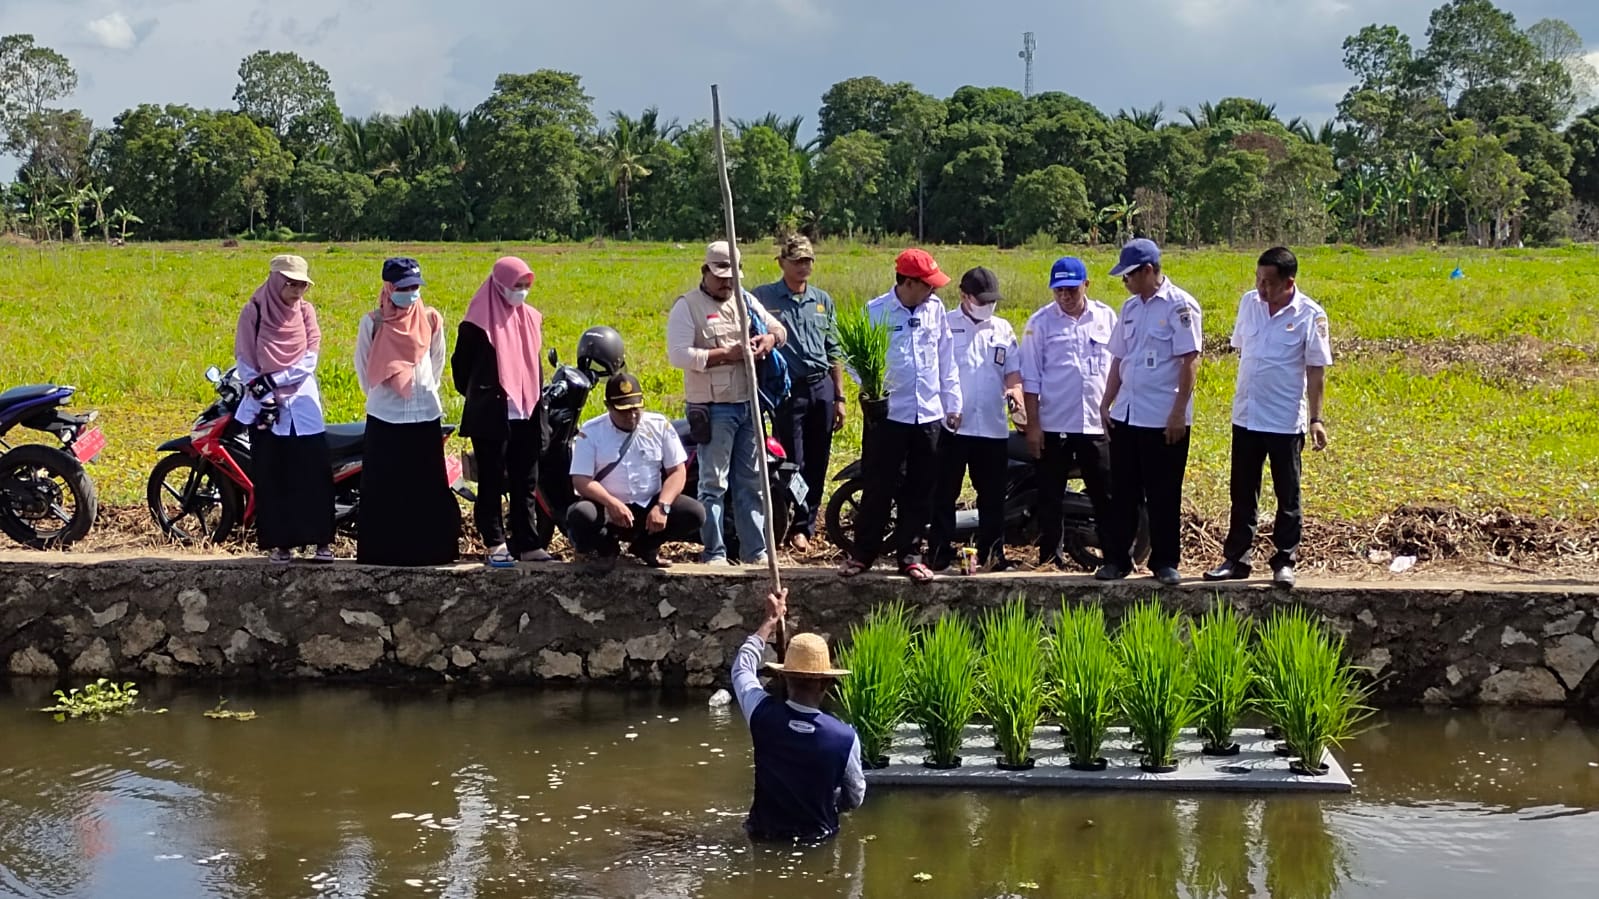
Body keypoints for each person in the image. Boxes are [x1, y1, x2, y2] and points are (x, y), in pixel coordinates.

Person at [1204, 247, 1332, 589]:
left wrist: (1317, 418)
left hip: (1284, 419)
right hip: (1247, 414)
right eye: (1259, 281)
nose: (1262, 289)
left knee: (1287, 494)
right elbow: (1244, 349)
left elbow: (1316, 370)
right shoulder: (1249, 303)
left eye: (1269, 283)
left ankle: (1284, 560)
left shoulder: (1311, 314)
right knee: (1242, 492)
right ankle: (1236, 559)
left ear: (1289, 282)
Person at [838, 248, 962, 584]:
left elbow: (945, 358)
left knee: (921, 488)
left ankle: (910, 555)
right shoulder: (876, 311)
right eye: (927, 284)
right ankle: (863, 553)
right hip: (889, 416)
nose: (934, 290)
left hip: (929, 414)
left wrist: (953, 403)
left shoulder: (935, 309)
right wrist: (872, 386)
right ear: (908, 282)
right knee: (878, 485)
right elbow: (852, 356)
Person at [665, 241, 788, 566]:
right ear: (705, 271)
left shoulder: (745, 300)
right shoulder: (687, 306)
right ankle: (714, 553)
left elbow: (778, 327)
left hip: (748, 405)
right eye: (721, 277)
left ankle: (755, 552)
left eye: (732, 277)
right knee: (713, 484)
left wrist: (769, 340)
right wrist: (725, 355)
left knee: (751, 482)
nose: (726, 283)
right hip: (713, 407)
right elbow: (678, 355)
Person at [1096, 238, 1202, 586]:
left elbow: (1189, 360)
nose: (1124, 282)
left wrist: (1177, 413)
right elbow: (1118, 358)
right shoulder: (1130, 308)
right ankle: (1117, 560)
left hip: (1162, 416)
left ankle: (1165, 561)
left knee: (1163, 492)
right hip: (1128, 412)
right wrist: (1106, 401)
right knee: (1123, 492)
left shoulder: (1179, 306)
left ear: (1147, 271)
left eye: (1128, 275)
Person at [732, 587, 865, 844]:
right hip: (817, 839)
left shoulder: (761, 713)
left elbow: (741, 668)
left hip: (763, 835)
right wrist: (834, 804)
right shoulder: (845, 738)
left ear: (783, 677)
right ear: (826, 685)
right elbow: (855, 796)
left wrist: (769, 622)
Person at [353, 257, 459, 567]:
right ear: (389, 287)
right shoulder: (372, 322)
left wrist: (419, 390)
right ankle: (384, 556)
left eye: (415, 287)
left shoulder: (430, 319)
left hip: (424, 415)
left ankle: (430, 553)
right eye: (404, 287)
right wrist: (387, 396)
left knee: (425, 488)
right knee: (385, 489)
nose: (411, 293)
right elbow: (363, 370)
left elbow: (436, 361)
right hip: (385, 415)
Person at [233, 254, 335, 564]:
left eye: (303, 284)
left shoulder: (306, 312)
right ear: (277, 281)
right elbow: (245, 358)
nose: (298, 290)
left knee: (313, 475)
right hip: (265, 407)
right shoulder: (254, 312)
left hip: (303, 405)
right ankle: (281, 544)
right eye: (292, 283)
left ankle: (321, 542)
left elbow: (309, 358)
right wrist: (261, 387)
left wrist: (274, 380)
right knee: (273, 474)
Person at [452, 256, 551, 568]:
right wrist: (483, 391)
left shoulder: (531, 318)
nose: (520, 292)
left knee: (526, 481)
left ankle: (528, 542)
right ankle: (495, 541)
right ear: (498, 285)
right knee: (492, 481)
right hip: (493, 414)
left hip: (527, 411)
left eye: (525, 286)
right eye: (515, 286)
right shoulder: (477, 322)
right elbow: (461, 370)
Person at [1021, 256, 1119, 569]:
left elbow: (1119, 367)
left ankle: (1115, 557)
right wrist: (1033, 426)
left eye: (1071, 290)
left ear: (1085, 285)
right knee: (1050, 496)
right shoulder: (1040, 324)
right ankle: (1051, 559)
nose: (1065, 296)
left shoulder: (1105, 318)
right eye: (1058, 290)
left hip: (1095, 423)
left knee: (1105, 495)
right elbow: (1031, 379)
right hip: (1054, 424)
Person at [753, 235, 844, 552]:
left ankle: (807, 522)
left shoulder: (822, 300)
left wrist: (840, 397)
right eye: (797, 261)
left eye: (808, 261)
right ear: (782, 263)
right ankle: (791, 521)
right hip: (788, 388)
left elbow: (833, 350)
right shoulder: (764, 298)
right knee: (793, 461)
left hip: (822, 387)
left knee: (818, 461)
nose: (804, 267)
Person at [928, 266, 1021, 571]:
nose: (988, 307)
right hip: (952, 427)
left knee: (992, 496)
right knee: (944, 492)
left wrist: (1015, 393)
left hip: (992, 427)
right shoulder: (944, 325)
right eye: (981, 301)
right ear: (964, 297)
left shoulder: (1002, 329)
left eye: (992, 301)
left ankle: (993, 554)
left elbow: (1012, 374)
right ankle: (940, 552)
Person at [567, 372, 706, 570]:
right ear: (608, 407)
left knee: (694, 513)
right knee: (581, 515)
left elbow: (677, 471)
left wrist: (662, 506)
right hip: (609, 508)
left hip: (648, 506)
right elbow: (581, 480)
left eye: (635, 409)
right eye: (623, 411)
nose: (631, 416)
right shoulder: (591, 432)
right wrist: (611, 503)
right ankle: (607, 550)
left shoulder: (659, 426)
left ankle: (645, 547)